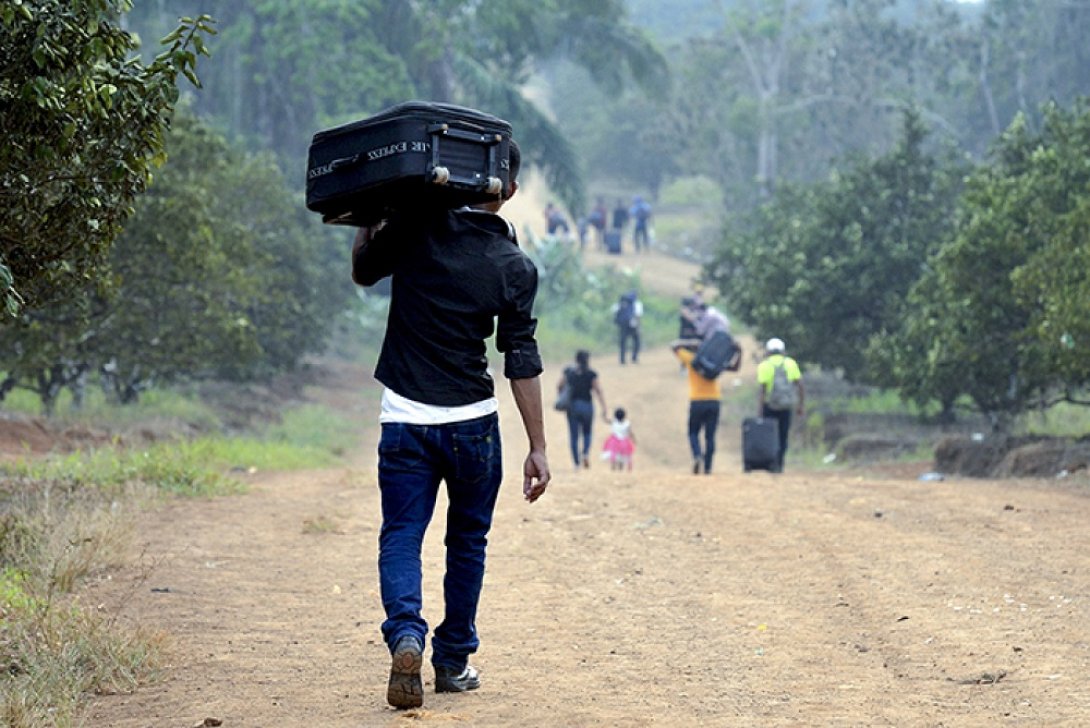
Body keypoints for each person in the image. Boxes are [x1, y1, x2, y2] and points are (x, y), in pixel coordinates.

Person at [352, 139, 551, 709]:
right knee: (467, 541)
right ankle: (454, 659)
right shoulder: (514, 266)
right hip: (473, 427)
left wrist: (372, 215)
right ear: (507, 191)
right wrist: (537, 446)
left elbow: (365, 271)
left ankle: (407, 636)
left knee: (402, 535)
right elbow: (522, 359)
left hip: (406, 421)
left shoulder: (417, 228)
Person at [672, 339, 722, 474]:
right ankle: (708, 467)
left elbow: (674, 346)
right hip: (714, 400)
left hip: (697, 401)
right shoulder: (714, 361)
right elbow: (733, 365)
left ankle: (697, 455)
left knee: (693, 432)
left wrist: (690, 343)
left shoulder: (691, 359)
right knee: (710, 436)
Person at [756, 337, 805, 473]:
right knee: (783, 435)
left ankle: (771, 463)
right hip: (786, 405)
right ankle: (780, 463)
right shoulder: (790, 363)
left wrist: (760, 411)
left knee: (770, 435)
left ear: (768, 351)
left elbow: (762, 390)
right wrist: (800, 405)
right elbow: (800, 385)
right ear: (782, 351)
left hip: (770, 406)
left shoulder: (764, 365)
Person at [558, 350, 608, 469]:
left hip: (572, 406)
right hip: (587, 405)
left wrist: (563, 397)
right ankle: (585, 453)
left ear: (576, 359)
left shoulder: (569, 372)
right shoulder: (591, 373)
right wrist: (604, 407)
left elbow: (559, 385)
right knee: (587, 432)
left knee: (574, 435)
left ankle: (576, 463)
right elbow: (598, 390)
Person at [612, 290, 643, 364]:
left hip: (623, 325)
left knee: (623, 342)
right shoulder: (636, 304)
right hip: (633, 325)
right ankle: (634, 357)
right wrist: (639, 327)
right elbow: (638, 316)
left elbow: (614, 312)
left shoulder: (620, 304)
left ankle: (622, 359)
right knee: (636, 341)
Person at [602, 406, 636, 471]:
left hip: (614, 441)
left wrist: (604, 415)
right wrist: (634, 440)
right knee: (622, 455)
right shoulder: (627, 423)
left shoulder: (614, 422)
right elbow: (630, 433)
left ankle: (613, 467)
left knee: (613, 454)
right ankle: (620, 468)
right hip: (624, 442)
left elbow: (606, 420)